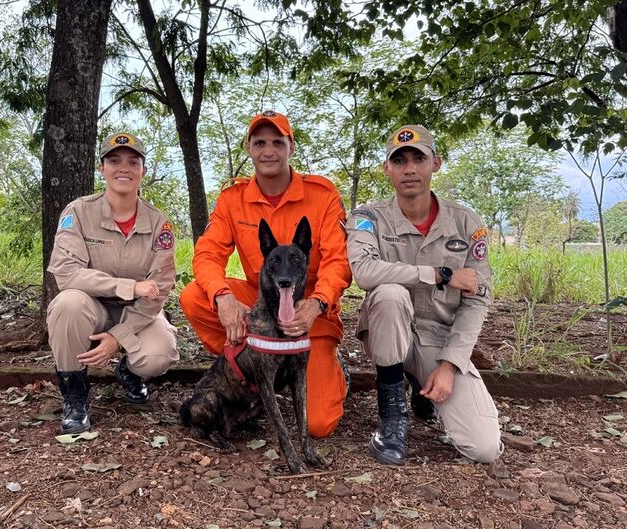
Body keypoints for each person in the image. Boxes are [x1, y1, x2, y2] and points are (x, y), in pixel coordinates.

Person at [179, 110, 352, 438]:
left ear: (291, 147)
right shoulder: (233, 198)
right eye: (260, 142)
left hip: (312, 313)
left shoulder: (322, 195)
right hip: (264, 306)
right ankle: (254, 371)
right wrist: (223, 296)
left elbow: (338, 261)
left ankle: (332, 369)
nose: (268, 150)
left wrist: (317, 303)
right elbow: (206, 254)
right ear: (248, 147)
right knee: (194, 296)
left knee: (317, 425)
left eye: (278, 142)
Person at [346, 125, 502, 465]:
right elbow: (365, 273)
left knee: (484, 448)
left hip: (438, 339)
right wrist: (438, 274)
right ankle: (392, 419)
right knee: (389, 294)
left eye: (419, 158)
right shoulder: (367, 217)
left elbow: (477, 297)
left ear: (436, 164)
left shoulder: (465, 223)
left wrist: (449, 364)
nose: (410, 168)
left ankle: (423, 385)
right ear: (387, 168)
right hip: (387, 333)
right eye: (399, 160)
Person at [46, 132, 178, 434]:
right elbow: (67, 273)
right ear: (101, 168)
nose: (124, 168)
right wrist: (127, 286)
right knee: (67, 304)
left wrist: (118, 338)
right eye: (114, 160)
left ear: (143, 170)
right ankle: (75, 397)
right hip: (93, 308)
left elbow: (159, 289)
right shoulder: (78, 212)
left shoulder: (160, 223)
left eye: (134, 162)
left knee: (158, 355)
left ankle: (129, 371)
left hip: (140, 314)